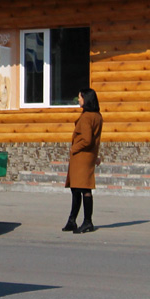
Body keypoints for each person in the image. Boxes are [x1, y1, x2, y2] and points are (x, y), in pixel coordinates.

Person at [63, 88, 103, 233]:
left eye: (80, 97)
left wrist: (74, 148)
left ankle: (87, 222)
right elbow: (95, 139)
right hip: (87, 156)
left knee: (83, 188)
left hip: (81, 156)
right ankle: (72, 220)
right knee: (78, 188)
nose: (78, 99)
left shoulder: (87, 117)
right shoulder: (97, 115)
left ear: (86, 99)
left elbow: (87, 139)